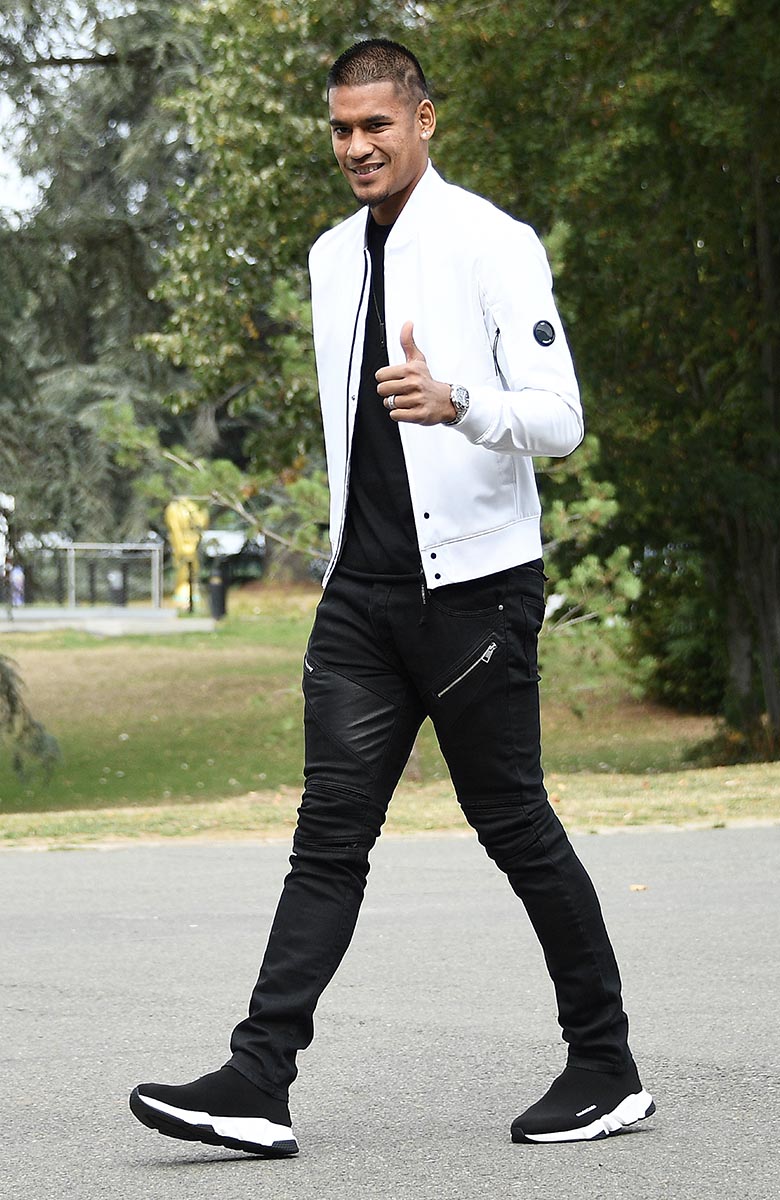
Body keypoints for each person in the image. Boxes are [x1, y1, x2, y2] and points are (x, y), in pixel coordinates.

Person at [130, 38, 654, 1155]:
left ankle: (605, 1066)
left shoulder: (493, 246)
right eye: (340, 129)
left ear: (426, 120)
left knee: (515, 825)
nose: (357, 146)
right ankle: (257, 1081)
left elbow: (560, 419)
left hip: (475, 598)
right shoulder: (329, 257)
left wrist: (461, 401)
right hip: (361, 598)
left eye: (377, 124)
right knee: (327, 842)